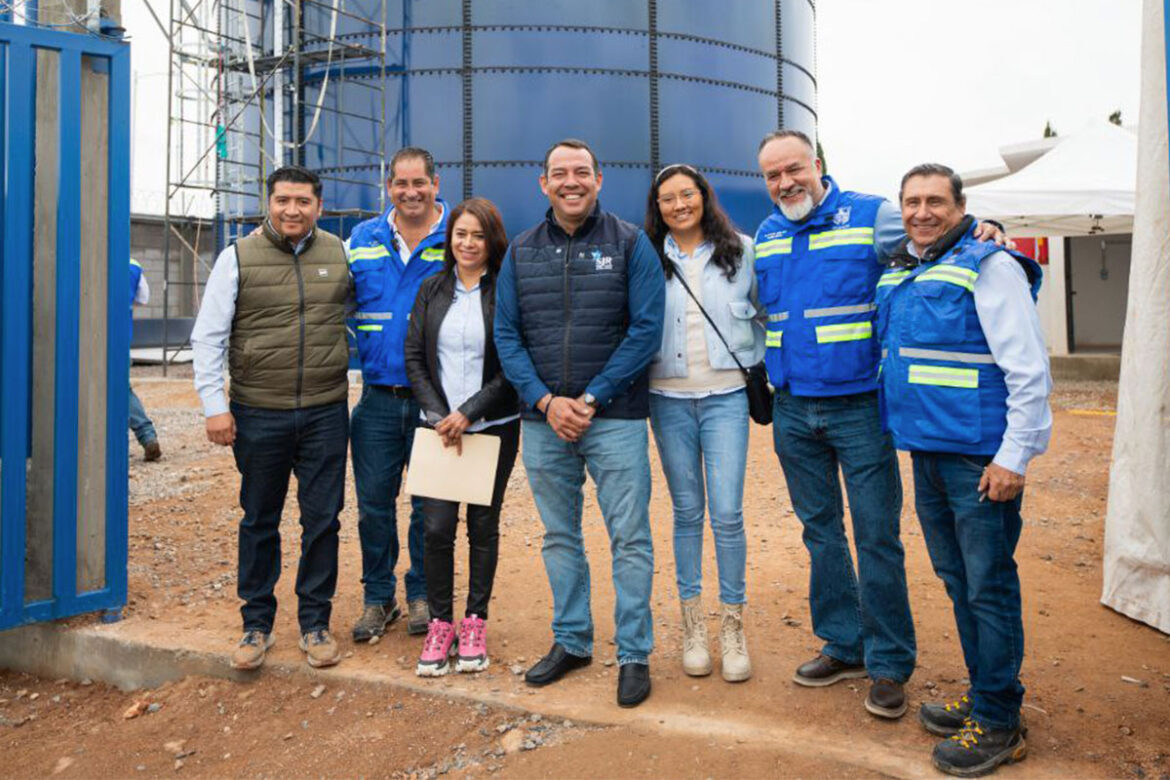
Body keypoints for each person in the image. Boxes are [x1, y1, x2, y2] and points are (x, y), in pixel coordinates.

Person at [753, 130, 1007, 719]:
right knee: (820, 533)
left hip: (861, 407)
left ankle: (889, 662)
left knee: (875, 537)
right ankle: (845, 643)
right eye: (772, 175)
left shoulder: (873, 217)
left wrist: (984, 226)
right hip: (792, 408)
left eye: (794, 169)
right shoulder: (766, 234)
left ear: (817, 165)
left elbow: (936, 233)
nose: (785, 182)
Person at [876, 164, 1050, 777]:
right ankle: (985, 697)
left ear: (961, 207)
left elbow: (1028, 369)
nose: (922, 212)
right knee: (958, 581)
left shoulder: (990, 265)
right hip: (929, 451)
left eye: (935, 202)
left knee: (989, 586)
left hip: (980, 459)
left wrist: (1014, 456)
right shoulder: (911, 263)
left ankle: (1001, 721)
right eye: (912, 202)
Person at [494, 138, 665, 708]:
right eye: (559, 173)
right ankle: (572, 640)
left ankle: (634, 652)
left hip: (612, 418)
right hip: (544, 423)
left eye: (582, 172)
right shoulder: (520, 251)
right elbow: (507, 337)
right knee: (561, 536)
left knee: (629, 537)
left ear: (600, 178)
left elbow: (645, 330)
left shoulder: (631, 243)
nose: (571, 181)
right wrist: (545, 402)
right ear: (542, 183)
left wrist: (590, 397)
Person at [191, 166, 351, 670]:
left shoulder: (338, 253)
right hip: (259, 413)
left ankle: (315, 623)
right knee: (260, 519)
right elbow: (209, 335)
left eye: (303, 201)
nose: (292, 210)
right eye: (283, 200)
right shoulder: (236, 257)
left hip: (326, 411)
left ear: (319, 206)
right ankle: (256, 625)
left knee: (322, 520)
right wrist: (215, 406)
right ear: (269, 202)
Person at [642, 164, 763, 682]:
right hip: (667, 398)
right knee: (687, 512)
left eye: (686, 194)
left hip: (726, 398)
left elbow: (765, 312)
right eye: (667, 199)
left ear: (703, 196)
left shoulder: (741, 249)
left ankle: (731, 627)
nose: (678, 205)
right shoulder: (646, 255)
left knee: (728, 513)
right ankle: (693, 626)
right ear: (658, 206)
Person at [403, 198, 520, 677]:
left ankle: (474, 621)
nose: (468, 243)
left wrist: (470, 413)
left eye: (477, 235)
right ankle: (439, 623)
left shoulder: (507, 292)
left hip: (493, 428)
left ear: (492, 241)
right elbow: (413, 356)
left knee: (483, 526)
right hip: (439, 432)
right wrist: (439, 414)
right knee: (436, 528)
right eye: (460, 234)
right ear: (449, 239)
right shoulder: (432, 289)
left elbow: (514, 363)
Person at [346, 146, 449, 642]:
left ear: (435, 183)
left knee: (428, 508)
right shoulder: (362, 240)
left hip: (435, 401)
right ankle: (377, 597)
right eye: (400, 184)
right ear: (388, 186)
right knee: (373, 506)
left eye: (419, 183)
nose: (410, 193)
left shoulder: (459, 238)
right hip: (377, 401)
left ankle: (422, 593)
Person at [128, 258, 161, 462]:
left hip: (81, 338)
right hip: (120, 337)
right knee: (121, 389)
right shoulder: (133, 266)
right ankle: (147, 436)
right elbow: (142, 299)